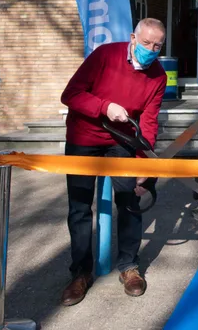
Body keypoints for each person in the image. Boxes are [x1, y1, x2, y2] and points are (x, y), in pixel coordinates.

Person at [59, 18, 167, 305]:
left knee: (129, 201)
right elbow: (70, 95)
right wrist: (104, 107)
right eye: (146, 43)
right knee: (80, 207)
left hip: (123, 142)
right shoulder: (105, 55)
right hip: (84, 137)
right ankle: (80, 273)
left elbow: (149, 121)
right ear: (133, 37)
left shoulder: (158, 75)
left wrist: (143, 163)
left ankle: (129, 266)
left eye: (157, 45)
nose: (151, 50)